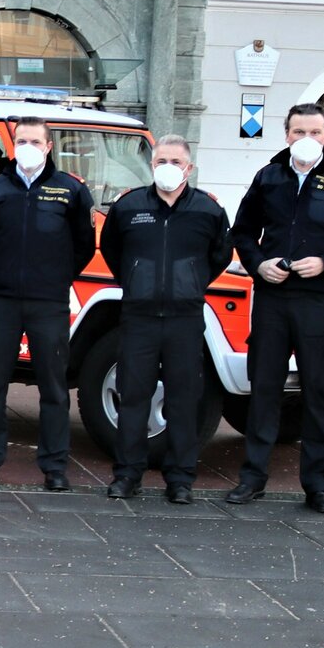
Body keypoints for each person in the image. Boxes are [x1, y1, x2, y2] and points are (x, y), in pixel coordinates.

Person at [227, 104, 324, 513]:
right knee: (264, 390)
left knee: (319, 392)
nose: (306, 137)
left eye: (314, 130)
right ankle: (252, 478)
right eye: (298, 130)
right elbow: (241, 231)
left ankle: (317, 486)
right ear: (287, 134)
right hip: (273, 298)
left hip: (319, 299)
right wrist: (258, 263)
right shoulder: (269, 176)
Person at [98, 135, 231, 504]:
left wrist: (190, 282)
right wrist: (137, 280)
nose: (167, 168)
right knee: (133, 397)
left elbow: (219, 255)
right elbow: (112, 250)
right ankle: (127, 475)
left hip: (185, 319)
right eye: (161, 161)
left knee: (184, 400)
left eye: (175, 162)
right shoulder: (129, 206)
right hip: (138, 317)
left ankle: (180, 478)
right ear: (151, 165)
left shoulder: (208, 210)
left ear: (189, 168)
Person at [0, 117, 96, 491]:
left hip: (49, 303)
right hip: (3, 301)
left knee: (53, 387)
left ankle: (55, 467)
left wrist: (55, 277)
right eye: (21, 139)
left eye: (35, 141)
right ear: (12, 144)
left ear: (49, 146)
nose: (27, 146)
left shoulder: (70, 190)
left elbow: (83, 246)